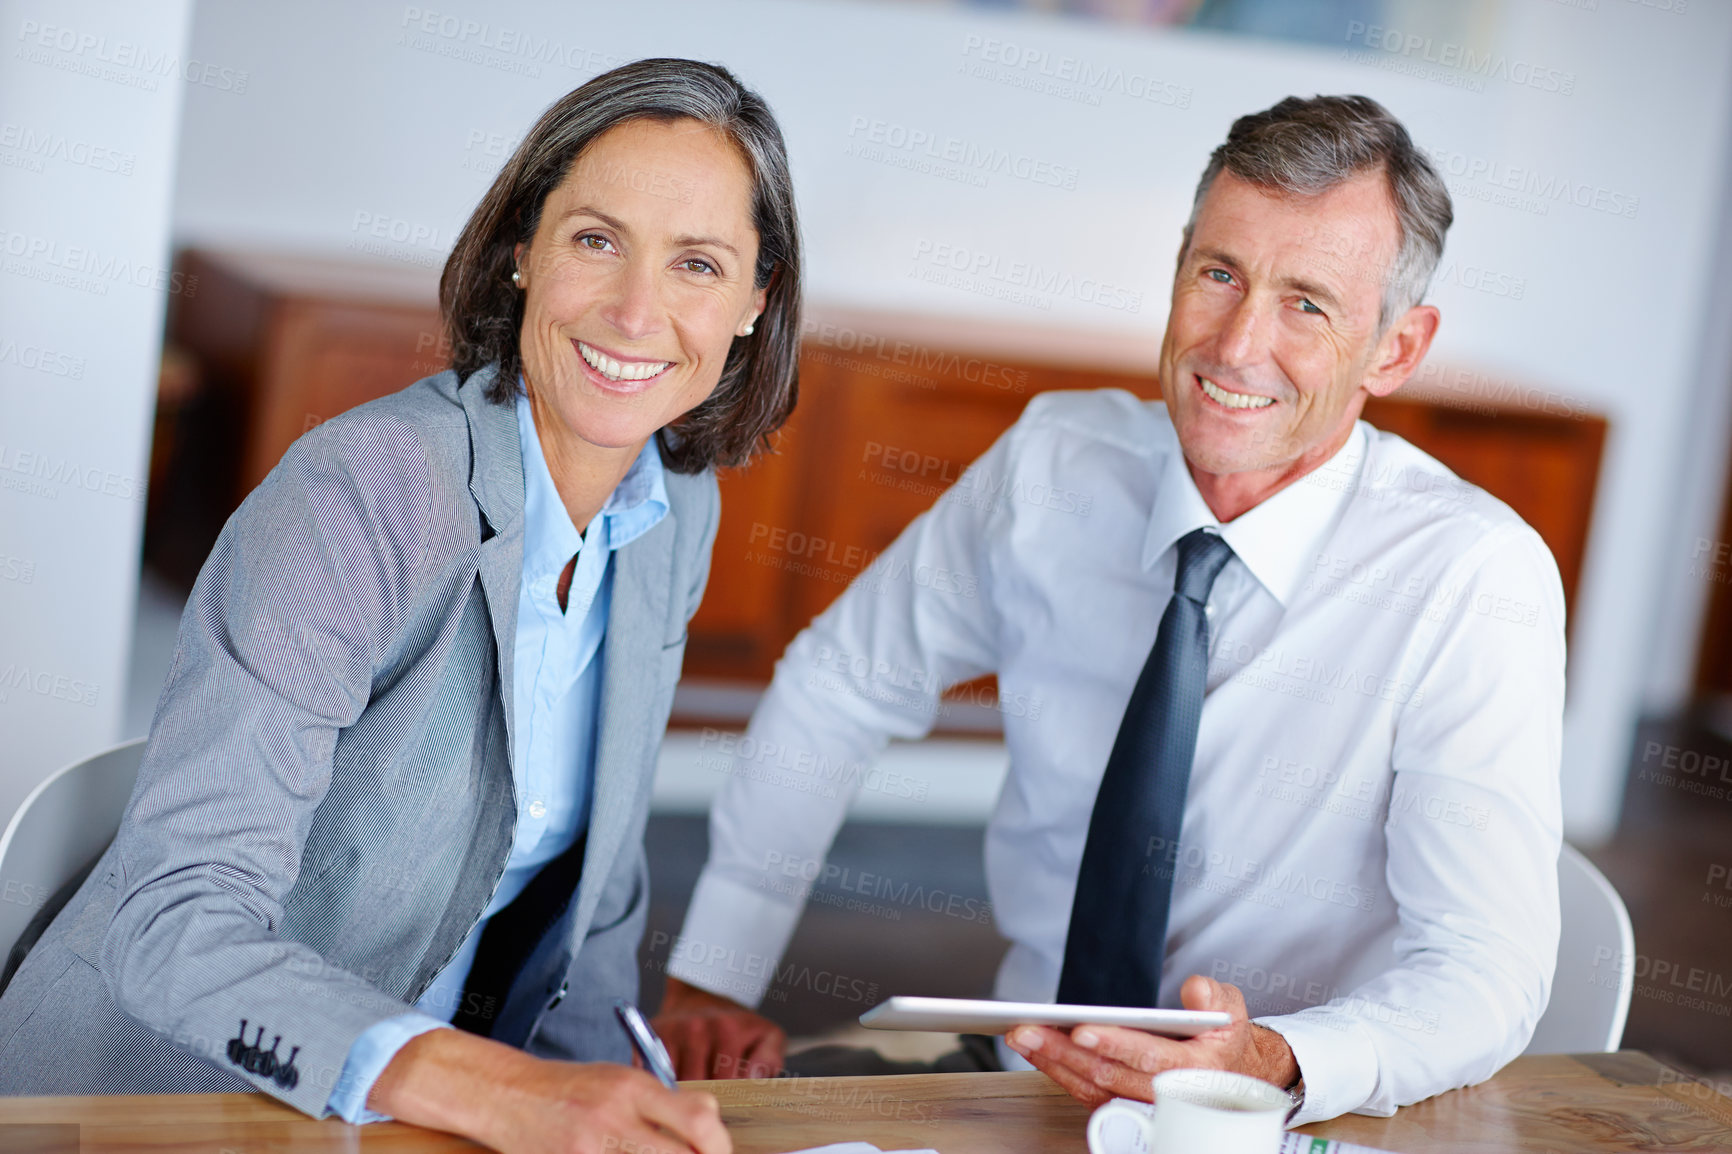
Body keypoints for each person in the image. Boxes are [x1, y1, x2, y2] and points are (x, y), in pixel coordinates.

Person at [655, 94, 1564, 1126]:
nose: (1235, 344)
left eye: (1306, 303)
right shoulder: (1058, 461)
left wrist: (1270, 1055)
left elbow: (1484, 972)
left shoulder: (1470, 574)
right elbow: (842, 681)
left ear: (1395, 350)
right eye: (1218, 273)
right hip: (1017, 1064)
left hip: (1275, 1111)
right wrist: (716, 972)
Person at [0, 58, 802, 1154]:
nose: (635, 310)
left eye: (698, 264)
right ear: (523, 249)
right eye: (596, 240)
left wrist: (623, 1069)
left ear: (757, 301)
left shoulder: (676, 510)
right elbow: (174, 918)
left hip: (418, 1119)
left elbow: (592, 890)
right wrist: (497, 1089)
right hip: (166, 1104)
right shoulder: (365, 490)